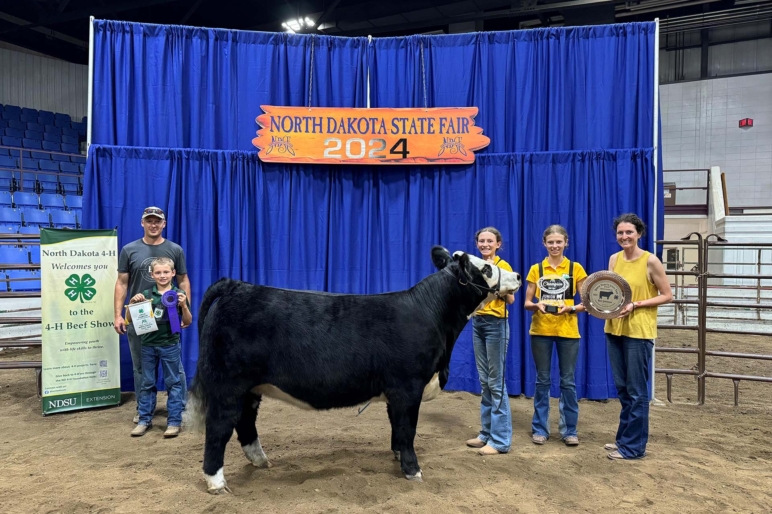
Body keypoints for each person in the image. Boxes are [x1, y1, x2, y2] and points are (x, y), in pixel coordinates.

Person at [604, 213, 672, 460]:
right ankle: (623, 440)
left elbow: (667, 295)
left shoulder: (650, 261)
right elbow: (610, 290)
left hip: (638, 332)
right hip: (614, 329)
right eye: (620, 233)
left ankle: (634, 448)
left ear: (639, 234)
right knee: (623, 389)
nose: (624, 237)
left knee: (636, 391)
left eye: (629, 232)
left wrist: (637, 304)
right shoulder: (614, 259)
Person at [113, 206, 190, 423]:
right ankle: (144, 408)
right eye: (149, 221)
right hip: (140, 318)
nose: (153, 224)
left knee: (175, 368)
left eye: (158, 221)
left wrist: (186, 308)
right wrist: (118, 314)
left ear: (164, 224)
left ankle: (179, 408)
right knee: (141, 367)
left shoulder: (175, 249)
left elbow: (183, 280)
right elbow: (121, 283)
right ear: (142, 223)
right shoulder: (129, 250)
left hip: (169, 319)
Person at [523, 225, 587, 446]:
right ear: (544, 244)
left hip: (568, 332)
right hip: (541, 331)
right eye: (551, 242)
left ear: (566, 243)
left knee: (568, 382)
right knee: (542, 381)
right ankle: (540, 428)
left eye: (559, 242)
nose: (555, 246)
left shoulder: (576, 269)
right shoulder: (536, 270)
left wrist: (571, 309)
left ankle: (569, 430)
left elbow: (586, 302)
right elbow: (527, 302)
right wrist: (536, 305)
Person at [465, 227, 516, 456]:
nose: (485, 244)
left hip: (496, 324)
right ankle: (486, 433)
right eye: (482, 241)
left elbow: (511, 298)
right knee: (485, 381)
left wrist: (497, 284)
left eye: (490, 241)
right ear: (477, 244)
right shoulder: (475, 265)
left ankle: (500, 440)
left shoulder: (503, 266)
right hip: (479, 323)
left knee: (496, 382)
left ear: (498, 244)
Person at [129, 257, 192, 437]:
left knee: (173, 383)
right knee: (147, 383)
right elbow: (130, 319)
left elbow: (187, 321)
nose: (162, 275)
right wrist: (132, 303)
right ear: (152, 274)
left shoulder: (178, 294)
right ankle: (144, 420)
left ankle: (173, 422)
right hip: (148, 345)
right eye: (158, 272)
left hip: (170, 345)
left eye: (166, 272)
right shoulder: (146, 294)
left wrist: (183, 306)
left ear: (173, 273)